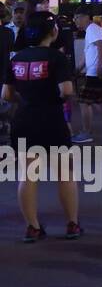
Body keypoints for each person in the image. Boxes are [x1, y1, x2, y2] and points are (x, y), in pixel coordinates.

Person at [2, 12, 81, 242]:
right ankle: (72, 224)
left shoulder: (16, 58)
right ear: (54, 31)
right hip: (52, 119)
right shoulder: (56, 58)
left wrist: (28, 99)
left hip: (24, 119)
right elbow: (66, 91)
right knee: (64, 174)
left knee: (28, 176)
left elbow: (6, 94)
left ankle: (32, 227)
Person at [71, 6, 102, 144]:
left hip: (97, 72)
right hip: (98, 70)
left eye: (77, 18)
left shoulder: (92, 29)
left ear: (85, 17)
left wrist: (99, 66)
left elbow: (101, 46)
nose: (75, 21)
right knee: (97, 101)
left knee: (84, 102)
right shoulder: (91, 30)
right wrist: (79, 68)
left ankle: (86, 133)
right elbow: (88, 52)